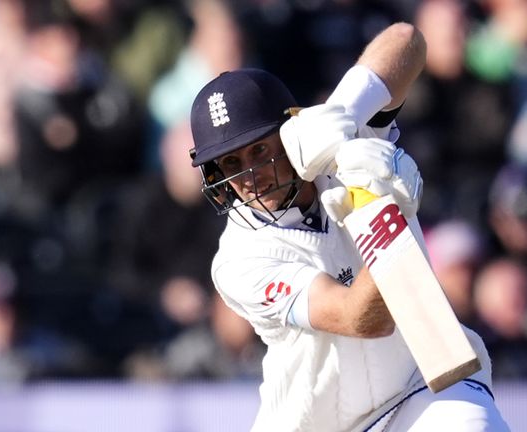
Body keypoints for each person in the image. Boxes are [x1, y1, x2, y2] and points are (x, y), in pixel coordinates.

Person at [188, 22, 510, 431]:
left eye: (259, 149)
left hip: (423, 384)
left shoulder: (344, 141)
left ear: (291, 132)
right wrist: (387, 211)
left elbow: (406, 40)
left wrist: (344, 111)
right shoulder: (239, 261)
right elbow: (363, 319)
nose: (250, 174)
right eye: (231, 163)